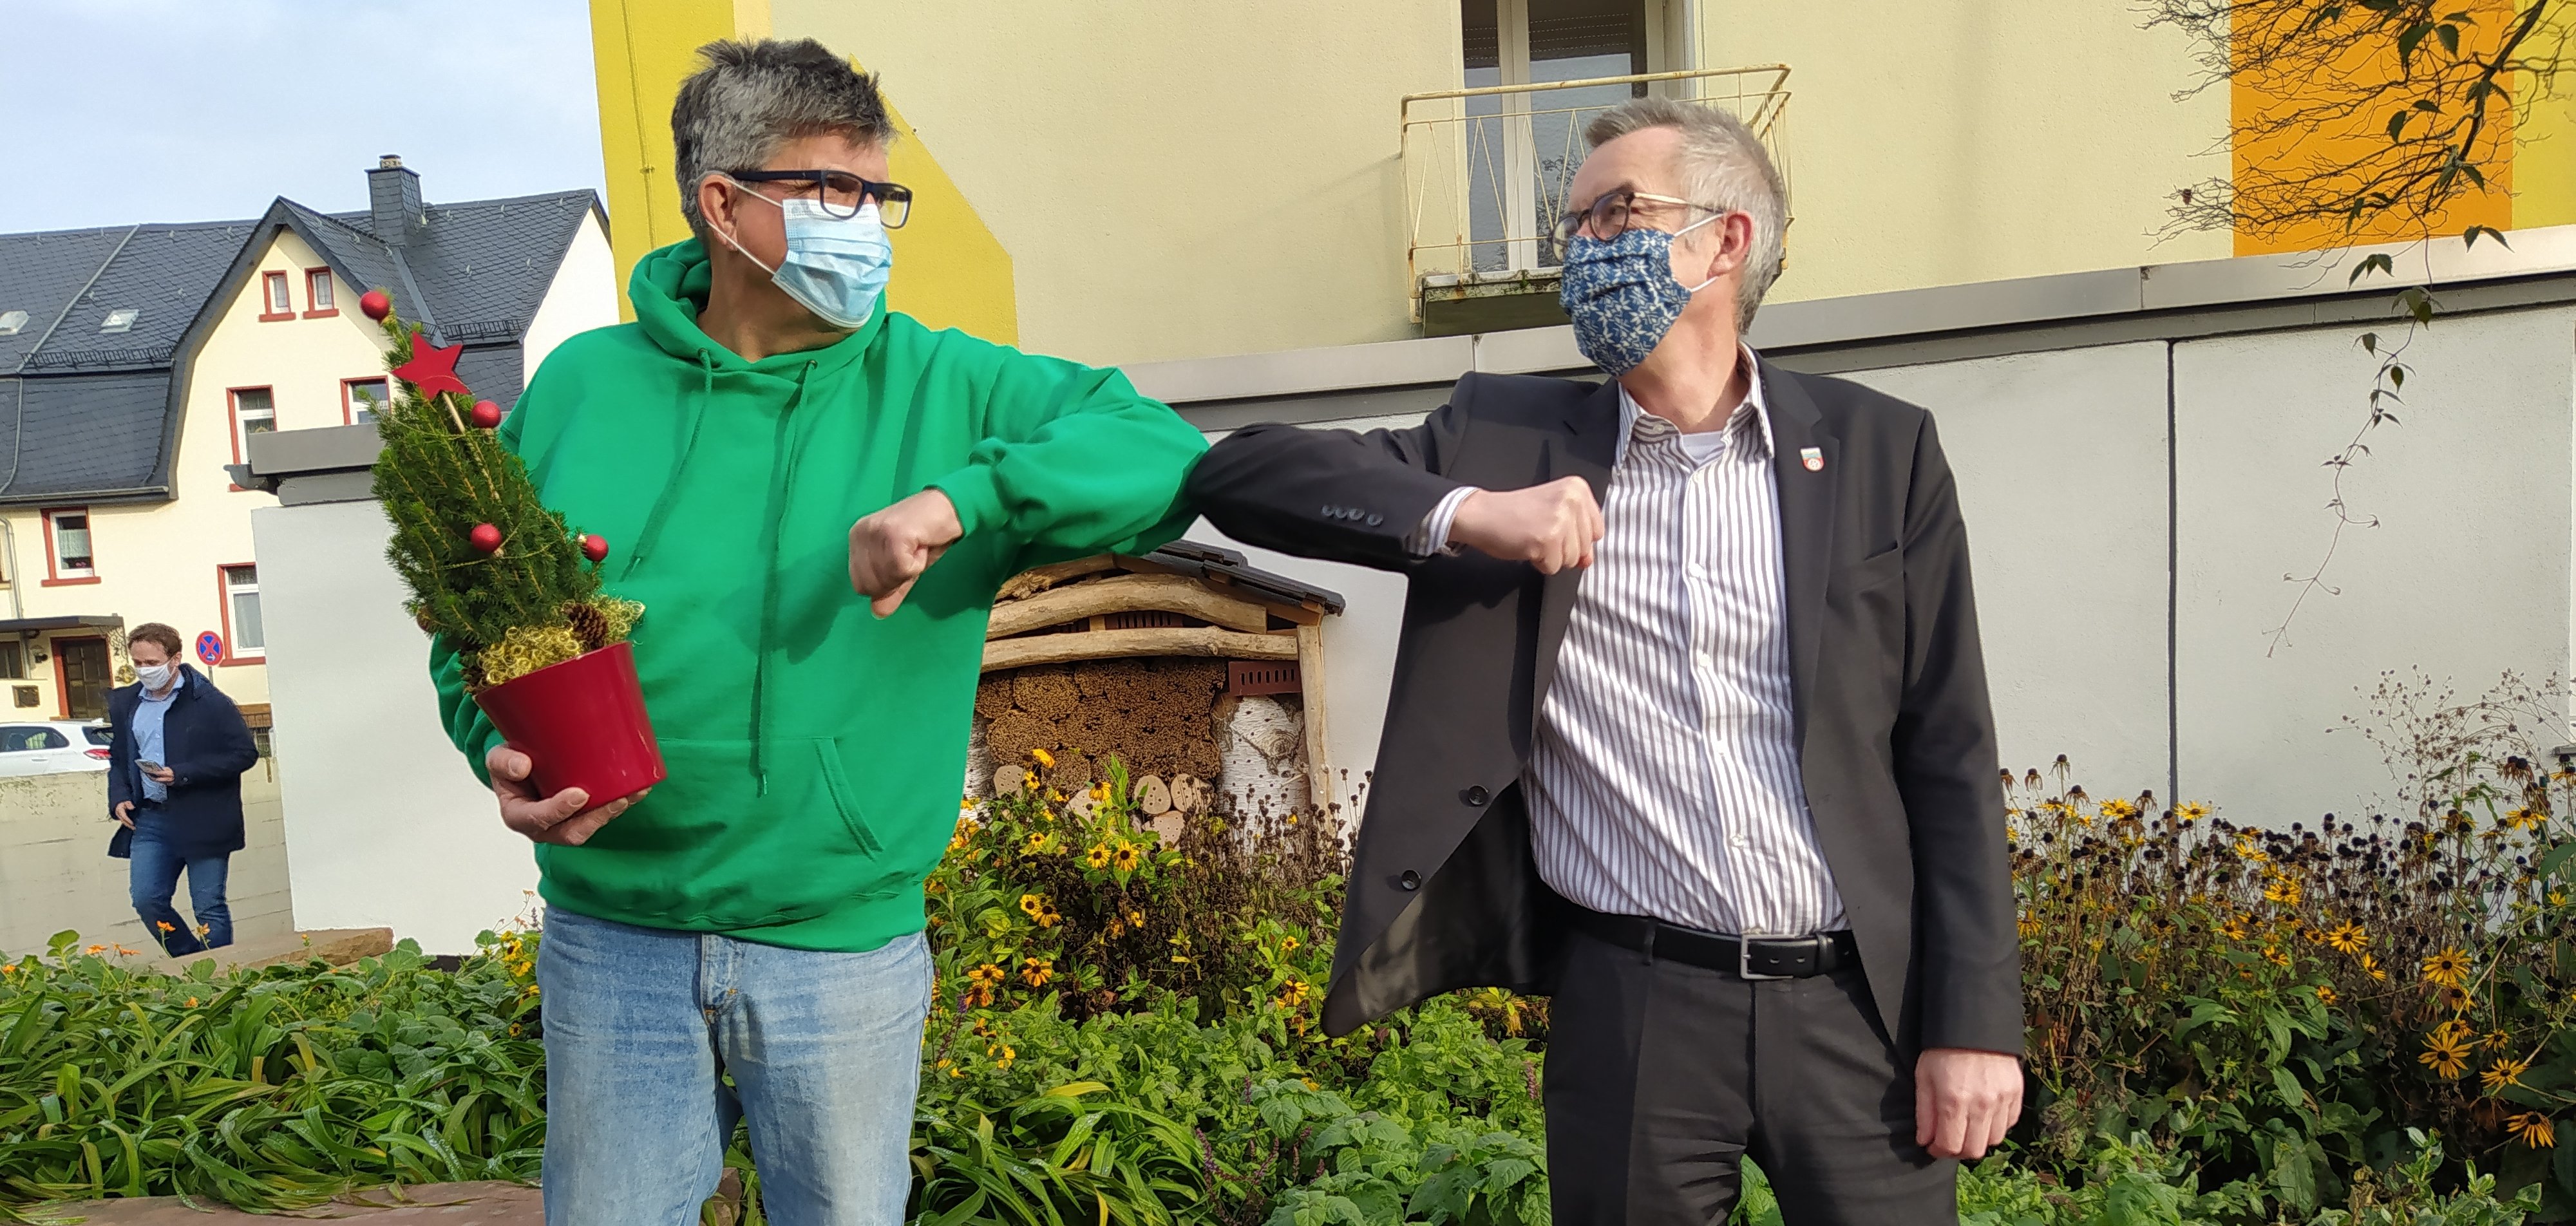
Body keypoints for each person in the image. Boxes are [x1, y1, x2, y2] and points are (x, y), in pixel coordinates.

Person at [1187, 97, 2022, 1225]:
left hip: (1858, 1007)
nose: (1580, 249)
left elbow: (1950, 751)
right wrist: (1471, 512)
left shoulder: (1882, 447)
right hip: (1635, 1009)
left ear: (1725, 240)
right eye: (1571, 223)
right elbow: (1241, 473)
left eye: (1615, 213)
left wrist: (1975, 1022)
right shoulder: (1506, 440)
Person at [426, 39, 1205, 1226]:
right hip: (613, 937)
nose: (868, 226)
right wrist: (498, 747)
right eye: (832, 188)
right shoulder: (581, 387)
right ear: (721, 203)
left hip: (840, 944)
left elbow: (1163, 452)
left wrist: (961, 501)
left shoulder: (946, 387)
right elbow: (474, 622)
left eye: (879, 194)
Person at [107, 622, 257, 957]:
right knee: (147, 900)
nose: (144, 670)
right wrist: (119, 797)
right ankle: (191, 963)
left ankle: (218, 975)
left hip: (204, 817)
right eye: (138, 663)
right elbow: (118, 757)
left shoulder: (209, 702)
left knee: (208, 905)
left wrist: (184, 774)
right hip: (150, 818)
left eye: (152, 663)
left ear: (175, 659)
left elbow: (244, 754)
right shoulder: (128, 703)